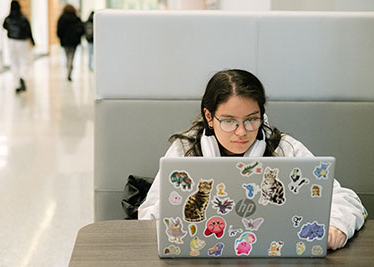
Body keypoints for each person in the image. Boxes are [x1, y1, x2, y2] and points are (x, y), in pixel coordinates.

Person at [138, 69, 367, 251]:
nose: (241, 132)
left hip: (273, 255)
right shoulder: (186, 149)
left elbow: (345, 198)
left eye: (251, 120)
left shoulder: (283, 147)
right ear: (209, 116)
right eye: (229, 121)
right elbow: (149, 214)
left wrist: (338, 226)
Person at [3, 0, 35, 93]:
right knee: (24, 60)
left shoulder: (8, 18)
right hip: (22, 42)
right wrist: (32, 41)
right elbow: (29, 31)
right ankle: (23, 76)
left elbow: (4, 26)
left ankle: (16, 84)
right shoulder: (23, 18)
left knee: (14, 62)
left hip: (12, 41)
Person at [57, 4, 84, 81]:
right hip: (74, 41)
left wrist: (61, 38)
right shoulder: (76, 18)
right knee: (71, 56)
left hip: (65, 41)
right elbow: (82, 29)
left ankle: (68, 67)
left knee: (67, 56)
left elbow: (59, 31)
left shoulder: (61, 18)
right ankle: (70, 68)